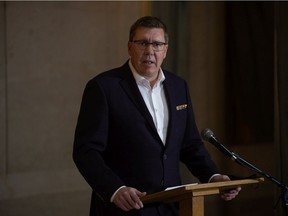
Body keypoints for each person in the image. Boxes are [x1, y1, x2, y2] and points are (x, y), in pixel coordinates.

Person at [73, 16, 241, 216]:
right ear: (129, 47)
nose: (150, 51)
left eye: (157, 44)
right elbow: (86, 151)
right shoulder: (103, 87)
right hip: (125, 208)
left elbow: (190, 145)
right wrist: (115, 189)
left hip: (171, 207)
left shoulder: (179, 86)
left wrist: (213, 177)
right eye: (142, 43)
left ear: (166, 50)